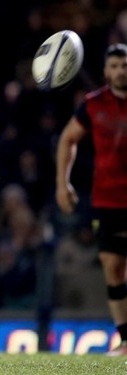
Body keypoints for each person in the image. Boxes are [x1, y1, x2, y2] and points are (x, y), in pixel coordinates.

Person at [55, 43, 127, 356]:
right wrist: (62, 183)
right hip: (107, 199)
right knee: (113, 267)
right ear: (105, 71)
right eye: (114, 66)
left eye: (124, 65)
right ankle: (125, 340)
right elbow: (68, 139)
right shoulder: (93, 104)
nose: (120, 71)